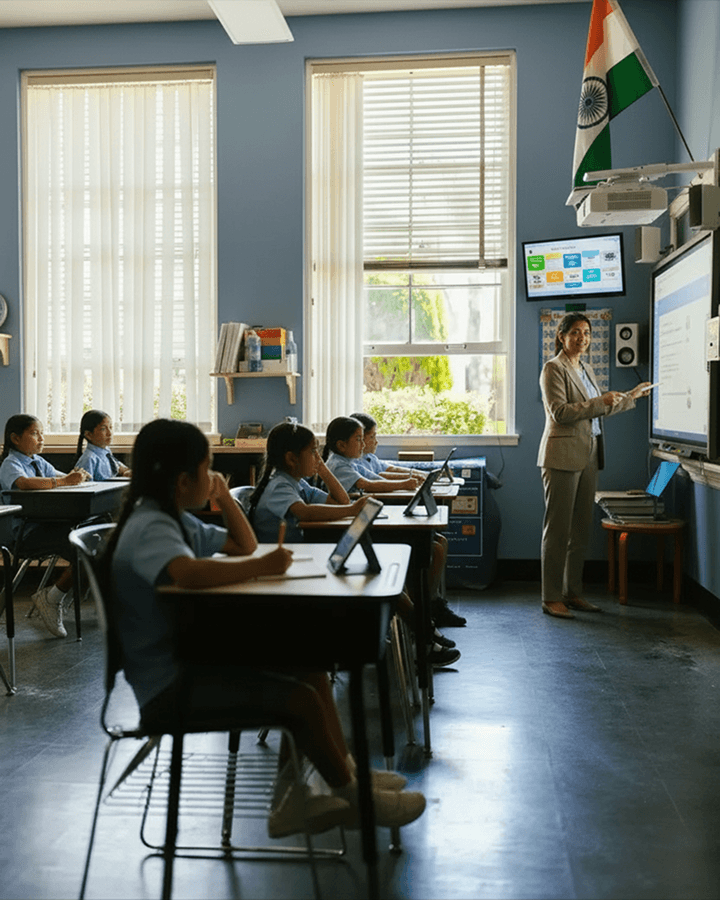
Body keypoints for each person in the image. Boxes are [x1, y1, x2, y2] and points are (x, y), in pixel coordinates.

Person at [105, 418, 425, 836]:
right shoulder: (152, 526)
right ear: (183, 480)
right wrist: (262, 568)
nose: (215, 475)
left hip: (189, 662)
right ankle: (353, 797)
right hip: (170, 687)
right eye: (209, 468)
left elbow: (243, 545)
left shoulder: (172, 518)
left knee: (309, 666)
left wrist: (221, 495)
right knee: (301, 700)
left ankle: (331, 778)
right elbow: (185, 573)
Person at [538, 313, 652, 619]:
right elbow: (561, 412)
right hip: (562, 455)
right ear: (561, 336)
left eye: (586, 333)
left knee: (580, 531)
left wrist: (630, 397)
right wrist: (600, 401)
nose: (582, 338)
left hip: (589, 453)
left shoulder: (586, 367)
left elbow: (596, 409)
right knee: (558, 529)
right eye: (575, 332)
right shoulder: (553, 368)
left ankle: (572, 592)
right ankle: (551, 597)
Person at [324, 415, 460, 667]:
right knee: (421, 553)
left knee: (435, 544)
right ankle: (421, 625)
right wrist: (407, 483)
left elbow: (378, 476)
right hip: (346, 541)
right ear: (342, 444)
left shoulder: (350, 460)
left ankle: (424, 618)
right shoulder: (339, 464)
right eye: (359, 439)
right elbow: (368, 485)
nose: (365, 444)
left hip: (358, 532)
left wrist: (413, 478)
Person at [349, 411, 464, 627]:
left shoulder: (367, 458)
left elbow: (388, 470)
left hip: (378, 519)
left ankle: (430, 606)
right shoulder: (349, 464)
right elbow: (373, 482)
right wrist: (407, 482)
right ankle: (423, 614)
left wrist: (417, 475)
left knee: (440, 542)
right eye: (371, 436)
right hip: (374, 528)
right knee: (435, 547)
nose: (375, 441)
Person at [0, 414, 86, 638]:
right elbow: (24, 483)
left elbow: (63, 477)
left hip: (44, 526)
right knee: (83, 549)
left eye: (42, 433)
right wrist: (65, 481)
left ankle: (54, 597)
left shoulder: (38, 461)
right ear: (15, 438)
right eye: (34, 433)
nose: (41, 438)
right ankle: (52, 599)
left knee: (89, 542)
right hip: (23, 533)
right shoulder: (11, 463)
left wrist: (77, 476)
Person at [247, 420, 368, 544]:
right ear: (291, 459)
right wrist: (352, 510)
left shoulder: (299, 484)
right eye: (313, 451)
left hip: (295, 549)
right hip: (275, 555)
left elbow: (342, 502)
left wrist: (322, 468)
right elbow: (305, 513)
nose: (318, 457)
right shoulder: (279, 486)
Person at [75, 409, 131, 480]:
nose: (109, 433)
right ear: (89, 434)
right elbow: (86, 487)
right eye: (103, 429)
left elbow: (116, 465)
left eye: (110, 427)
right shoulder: (89, 459)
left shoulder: (106, 451)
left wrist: (126, 471)